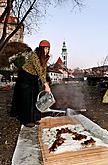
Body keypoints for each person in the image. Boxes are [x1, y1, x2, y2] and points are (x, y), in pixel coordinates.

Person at [10, 40, 51, 127]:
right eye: (45, 48)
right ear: (41, 49)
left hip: (33, 78)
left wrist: (45, 84)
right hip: (25, 76)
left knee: (35, 97)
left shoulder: (45, 58)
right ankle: (25, 120)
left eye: (48, 48)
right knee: (26, 99)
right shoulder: (34, 55)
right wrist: (46, 85)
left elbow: (43, 72)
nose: (47, 50)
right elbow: (39, 70)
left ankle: (34, 118)